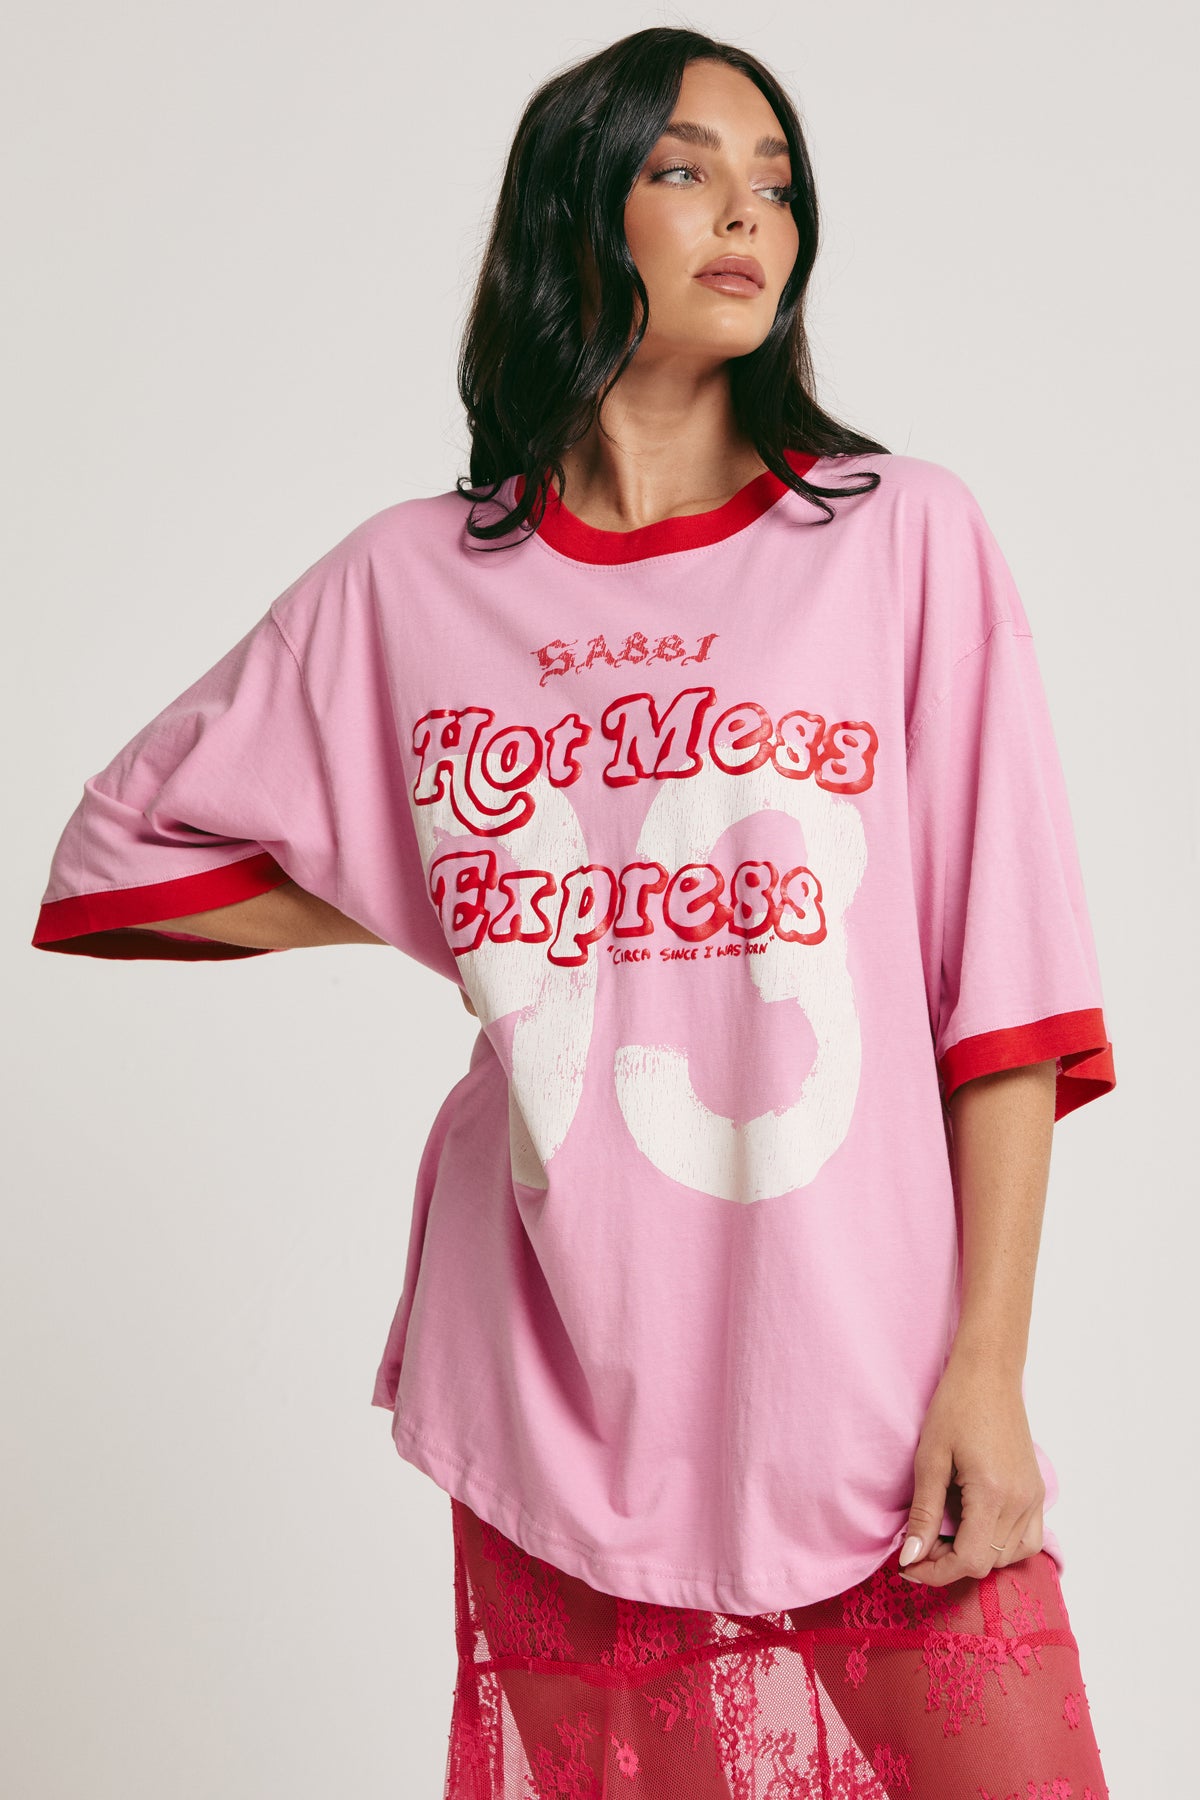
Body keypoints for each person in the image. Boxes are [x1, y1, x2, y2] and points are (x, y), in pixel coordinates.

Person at [32, 27, 1115, 1800]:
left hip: (868, 1372)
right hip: (567, 1370)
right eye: (687, 168)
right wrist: (511, 910)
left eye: (776, 182)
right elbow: (120, 850)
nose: (748, 213)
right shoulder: (416, 579)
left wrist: (986, 1370)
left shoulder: (901, 538)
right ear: (575, 213)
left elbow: (1004, 986)